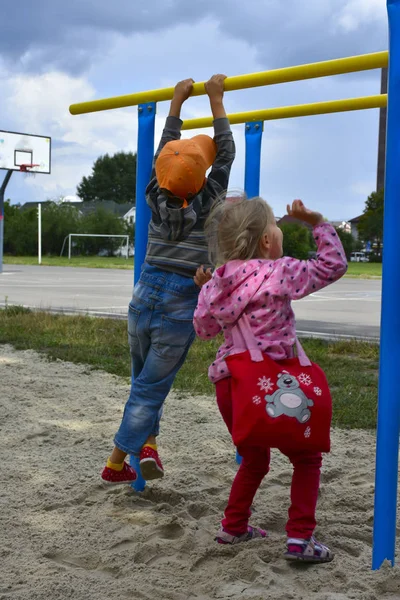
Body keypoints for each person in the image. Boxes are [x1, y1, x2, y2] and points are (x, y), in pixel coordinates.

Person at [193, 196, 347, 563]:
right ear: (266, 241)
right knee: (307, 457)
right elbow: (333, 265)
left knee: (255, 459)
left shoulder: (217, 283)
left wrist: (205, 289)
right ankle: (300, 539)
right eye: (276, 226)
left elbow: (203, 329)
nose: (280, 231)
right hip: (273, 385)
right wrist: (318, 222)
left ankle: (233, 527)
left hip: (232, 386)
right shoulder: (280, 272)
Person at [101, 74, 236, 485]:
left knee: (144, 380)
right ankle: (114, 463)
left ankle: (149, 446)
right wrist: (217, 100)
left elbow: (165, 151)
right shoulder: (211, 198)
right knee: (150, 389)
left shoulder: (153, 195)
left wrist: (176, 103)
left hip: (143, 296)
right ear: (203, 180)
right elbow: (226, 153)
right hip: (179, 303)